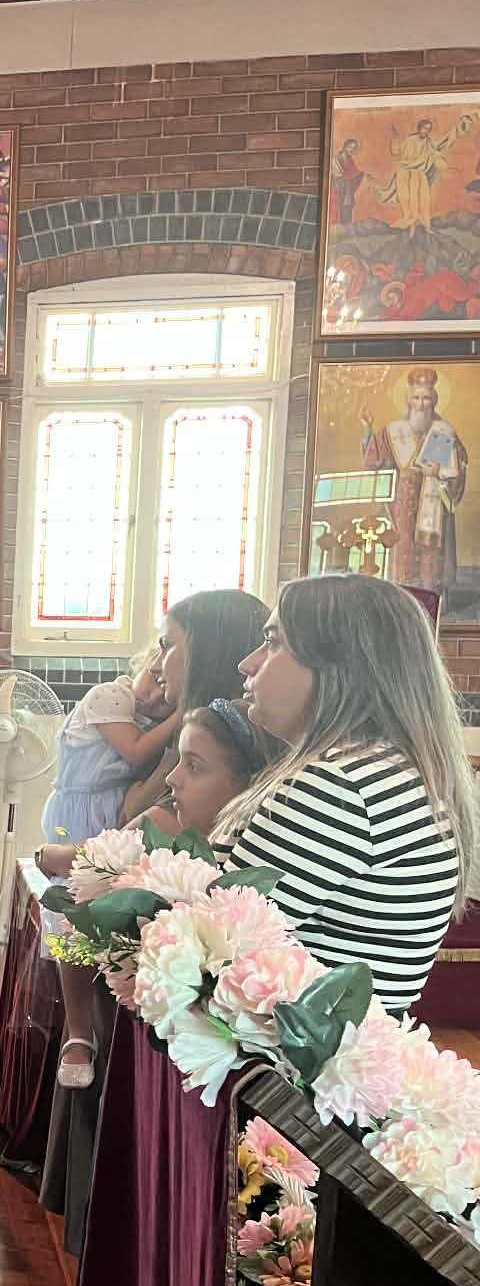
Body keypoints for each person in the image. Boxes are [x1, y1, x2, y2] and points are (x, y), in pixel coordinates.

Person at [29, 699, 274, 1286]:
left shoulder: (232, 872)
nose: (174, 779)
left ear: (246, 783)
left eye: (195, 766)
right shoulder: (176, 835)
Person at [223, 575, 478, 1017]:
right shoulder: (389, 768)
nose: (247, 663)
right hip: (351, 1043)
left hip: (295, 1051)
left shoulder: (337, 786)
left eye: (273, 641)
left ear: (338, 665)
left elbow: (214, 939)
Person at [37, 648, 179, 1090]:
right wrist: (182, 713)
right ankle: (79, 1032)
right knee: (74, 896)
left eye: (166, 690)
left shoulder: (150, 719)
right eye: (153, 676)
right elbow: (133, 754)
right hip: (79, 808)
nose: (155, 694)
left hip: (112, 810)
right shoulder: (109, 696)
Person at [118, 588, 272, 825]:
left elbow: (132, 821)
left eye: (166, 646)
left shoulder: (217, 736)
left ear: (206, 654)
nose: (155, 666)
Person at [364, 367, 467, 597]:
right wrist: (368, 430)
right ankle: (403, 600)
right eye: (417, 398)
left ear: (434, 401)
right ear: (408, 401)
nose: (421, 404)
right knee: (404, 549)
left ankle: (431, 600)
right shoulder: (392, 431)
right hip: (402, 503)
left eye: (426, 398)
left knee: (431, 554)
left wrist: (440, 471)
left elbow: (459, 467)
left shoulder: (444, 431)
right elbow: (373, 460)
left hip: (434, 502)